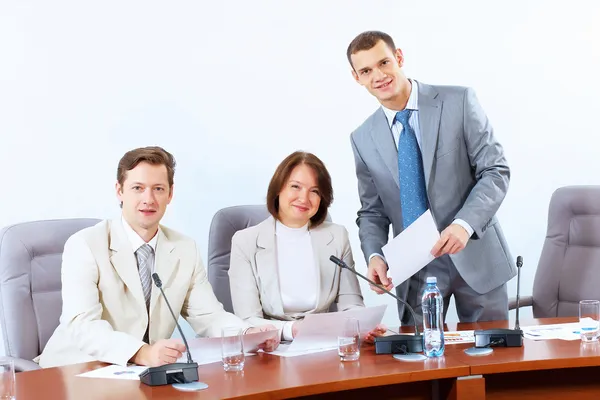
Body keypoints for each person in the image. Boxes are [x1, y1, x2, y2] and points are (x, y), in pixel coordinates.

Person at [37, 146, 279, 368]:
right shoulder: (85, 244)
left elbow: (208, 316)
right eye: (138, 188)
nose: (149, 199)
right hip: (76, 369)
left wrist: (247, 335)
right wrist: (142, 353)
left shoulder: (184, 248)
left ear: (170, 194)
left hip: (141, 374)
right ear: (119, 191)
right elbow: (82, 326)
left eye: (158, 189)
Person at [347, 31, 516, 325]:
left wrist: (464, 225)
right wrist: (374, 255)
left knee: (495, 360)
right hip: (415, 269)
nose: (379, 75)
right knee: (422, 367)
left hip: (475, 254)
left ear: (399, 57)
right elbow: (372, 210)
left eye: (384, 62)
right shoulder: (362, 138)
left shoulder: (458, 101)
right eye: (366, 70)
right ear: (356, 78)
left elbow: (495, 170)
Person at [228, 151, 385, 343]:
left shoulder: (337, 236)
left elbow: (351, 304)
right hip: (269, 349)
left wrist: (363, 326)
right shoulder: (245, 241)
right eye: (295, 186)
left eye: (315, 191)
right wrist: (291, 330)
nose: (304, 198)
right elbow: (247, 320)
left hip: (327, 347)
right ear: (278, 189)